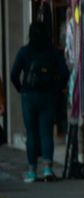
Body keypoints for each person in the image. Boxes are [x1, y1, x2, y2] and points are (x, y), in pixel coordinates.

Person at [9, 21, 69, 183]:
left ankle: (32, 170)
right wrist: (57, 89)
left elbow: (14, 75)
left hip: (29, 96)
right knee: (46, 132)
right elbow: (64, 74)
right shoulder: (53, 52)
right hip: (48, 96)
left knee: (31, 133)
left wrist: (22, 89)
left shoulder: (24, 52)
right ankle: (48, 168)